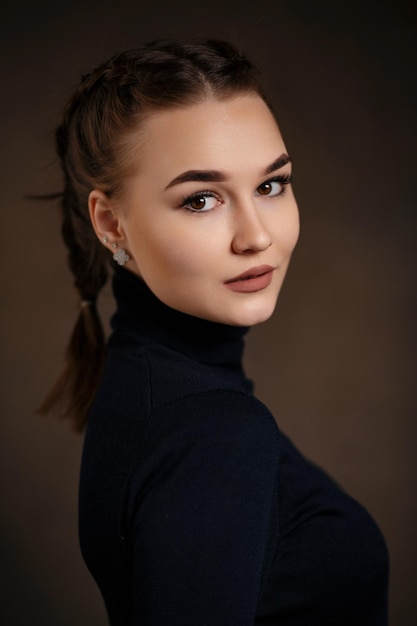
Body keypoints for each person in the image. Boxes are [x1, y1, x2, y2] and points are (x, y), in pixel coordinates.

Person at [38, 38, 389, 625]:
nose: (256, 236)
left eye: (271, 185)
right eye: (201, 199)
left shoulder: (145, 387)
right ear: (110, 222)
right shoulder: (211, 431)